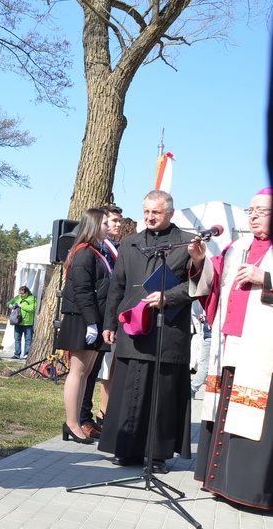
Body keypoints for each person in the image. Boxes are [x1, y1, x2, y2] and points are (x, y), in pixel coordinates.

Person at [99, 190, 195, 473]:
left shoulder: (187, 243)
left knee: (162, 396)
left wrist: (170, 297)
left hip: (169, 330)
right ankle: (126, 450)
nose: (150, 217)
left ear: (170, 213)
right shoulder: (130, 243)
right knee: (129, 390)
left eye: (156, 212)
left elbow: (198, 284)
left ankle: (158, 455)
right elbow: (117, 286)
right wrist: (109, 324)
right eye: (146, 212)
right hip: (133, 326)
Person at [189, 188, 273, 510]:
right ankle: (220, 482)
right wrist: (199, 262)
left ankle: (248, 490)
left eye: (261, 211)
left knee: (254, 419)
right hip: (229, 345)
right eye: (250, 210)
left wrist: (265, 276)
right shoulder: (236, 247)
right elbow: (212, 286)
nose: (252, 215)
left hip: (263, 351)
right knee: (226, 413)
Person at [56, 209, 112, 444]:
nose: (108, 227)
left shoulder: (97, 251)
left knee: (86, 372)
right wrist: (91, 322)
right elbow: (82, 291)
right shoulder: (84, 253)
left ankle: (76, 421)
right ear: (94, 225)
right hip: (82, 319)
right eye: (105, 223)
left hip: (93, 319)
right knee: (77, 373)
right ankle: (71, 423)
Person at [79, 204, 123, 438]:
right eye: (110, 221)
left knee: (98, 371)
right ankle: (81, 418)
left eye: (117, 221)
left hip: (111, 318)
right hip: (96, 319)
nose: (114, 225)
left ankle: (95, 415)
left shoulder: (116, 248)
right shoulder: (93, 249)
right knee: (87, 371)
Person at [6, 286, 36, 359]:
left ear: (27, 292)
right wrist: (10, 305)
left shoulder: (32, 299)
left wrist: (21, 306)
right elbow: (9, 302)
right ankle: (17, 353)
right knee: (17, 339)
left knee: (28, 340)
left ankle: (26, 354)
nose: (21, 295)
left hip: (28, 323)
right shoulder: (17, 298)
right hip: (18, 322)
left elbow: (32, 308)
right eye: (20, 293)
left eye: (22, 293)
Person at [189, 307, 210, 397]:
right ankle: (192, 388)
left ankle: (192, 388)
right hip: (210, 334)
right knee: (204, 364)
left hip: (211, 335)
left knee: (204, 364)